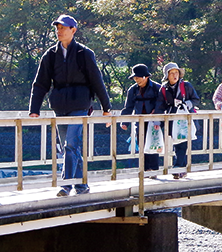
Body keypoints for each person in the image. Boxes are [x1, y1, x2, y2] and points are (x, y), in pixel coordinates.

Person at [29, 14, 112, 197]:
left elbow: (97, 82)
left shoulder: (84, 54)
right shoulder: (50, 55)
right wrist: (34, 109)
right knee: (71, 147)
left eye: (63, 28)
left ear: (73, 30)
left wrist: (106, 108)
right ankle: (82, 186)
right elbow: (41, 83)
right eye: (57, 28)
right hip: (60, 106)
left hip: (80, 104)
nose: (59, 31)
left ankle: (66, 185)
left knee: (70, 145)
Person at [156, 62, 200, 179]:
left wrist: (185, 104)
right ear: (167, 75)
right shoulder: (164, 89)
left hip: (185, 118)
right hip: (172, 119)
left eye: (176, 73)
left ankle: (178, 167)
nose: (175, 75)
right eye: (172, 73)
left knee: (182, 143)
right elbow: (160, 106)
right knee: (177, 142)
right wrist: (157, 121)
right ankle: (181, 168)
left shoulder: (186, 86)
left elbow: (196, 99)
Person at [120, 64, 161, 172]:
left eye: (138, 77)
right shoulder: (132, 90)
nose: (136, 80)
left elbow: (161, 104)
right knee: (142, 145)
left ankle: (154, 170)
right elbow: (128, 107)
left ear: (146, 77)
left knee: (153, 145)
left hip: (154, 121)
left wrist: (156, 115)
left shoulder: (157, 88)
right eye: (135, 78)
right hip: (140, 122)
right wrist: (125, 122)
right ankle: (144, 170)